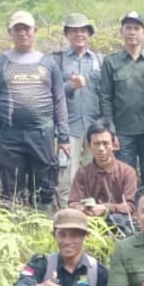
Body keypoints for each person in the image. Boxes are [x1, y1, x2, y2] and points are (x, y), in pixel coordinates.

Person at [0, 11, 70, 210]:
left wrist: (63, 137)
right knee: (11, 185)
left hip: (42, 133)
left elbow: (59, 100)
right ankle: (16, 224)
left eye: (27, 29)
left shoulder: (48, 63)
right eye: (17, 29)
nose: (23, 33)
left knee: (45, 182)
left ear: (35, 31)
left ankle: (42, 223)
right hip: (9, 134)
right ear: (10, 32)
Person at [101, 12, 144, 186]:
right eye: (128, 28)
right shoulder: (111, 62)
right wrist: (111, 132)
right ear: (121, 31)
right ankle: (128, 211)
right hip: (123, 131)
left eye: (136, 28)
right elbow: (105, 98)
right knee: (125, 175)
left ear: (143, 32)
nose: (132, 32)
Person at [53, 13, 103, 205]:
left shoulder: (99, 60)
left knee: (95, 178)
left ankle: (92, 221)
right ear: (67, 34)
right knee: (67, 180)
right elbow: (52, 93)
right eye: (73, 30)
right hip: (68, 129)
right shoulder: (58, 61)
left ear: (89, 33)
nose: (79, 34)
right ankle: (67, 219)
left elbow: (105, 95)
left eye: (83, 30)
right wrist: (70, 86)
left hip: (94, 129)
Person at [67, 119, 138, 235]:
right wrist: (82, 209)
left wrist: (106, 208)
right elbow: (72, 202)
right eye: (96, 144)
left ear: (114, 145)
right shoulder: (82, 173)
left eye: (105, 143)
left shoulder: (127, 172)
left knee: (118, 219)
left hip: (118, 226)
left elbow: (130, 207)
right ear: (89, 145)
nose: (101, 148)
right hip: (89, 223)